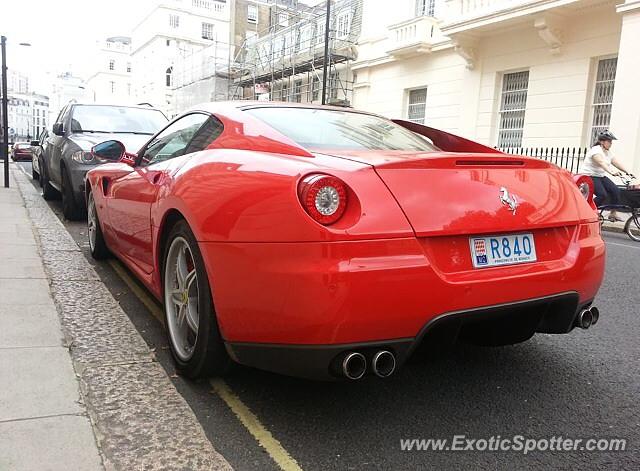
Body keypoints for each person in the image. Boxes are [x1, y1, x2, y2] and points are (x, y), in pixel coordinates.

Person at [581, 130, 631, 222]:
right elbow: (601, 163)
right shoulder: (595, 150)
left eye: (611, 141)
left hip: (600, 176)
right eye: (609, 141)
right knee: (602, 195)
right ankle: (588, 211)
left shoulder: (608, 152)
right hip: (589, 176)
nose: (611, 143)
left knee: (616, 191)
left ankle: (613, 213)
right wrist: (611, 172)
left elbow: (616, 162)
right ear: (602, 141)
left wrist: (627, 172)